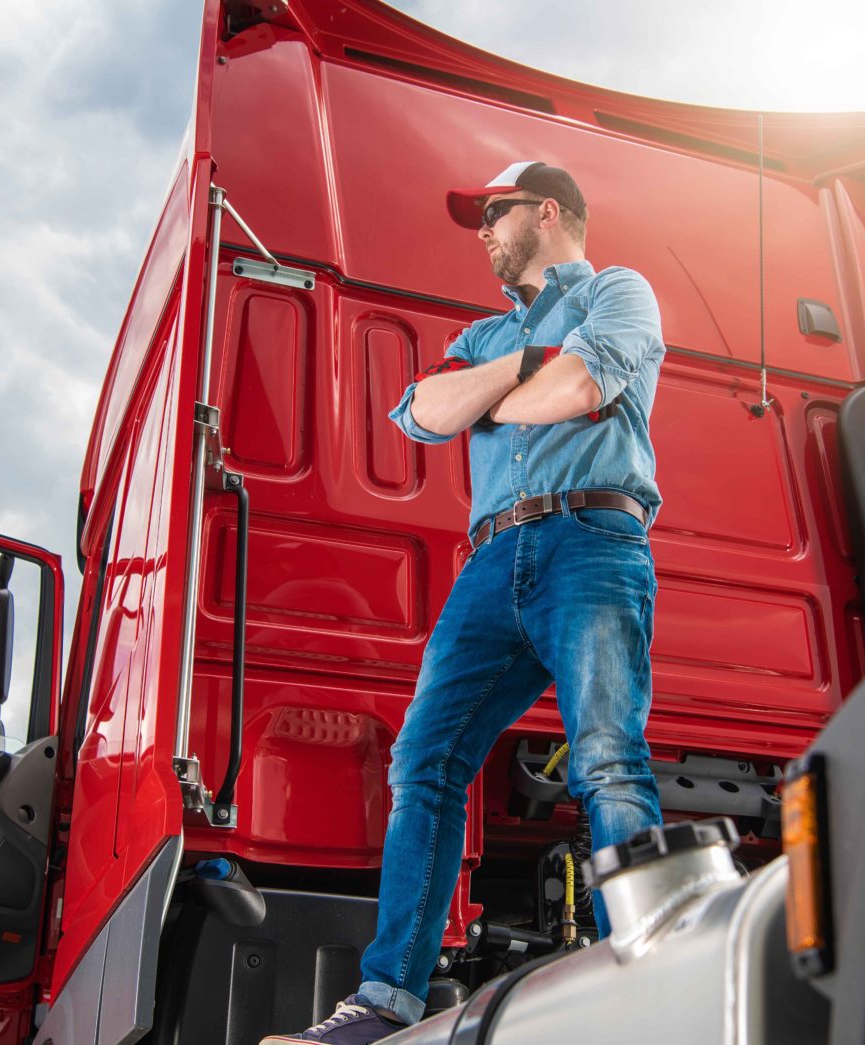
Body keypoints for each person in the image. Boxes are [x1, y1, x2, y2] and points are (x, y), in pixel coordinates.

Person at [262, 161, 666, 1044]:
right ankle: (385, 1003)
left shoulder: (621, 293)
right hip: (491, 565)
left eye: (494, 212)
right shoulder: (485, 334)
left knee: (604, 752)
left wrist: (503, 393)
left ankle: (646, 982)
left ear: (547, 211)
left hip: (591, 542)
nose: (483, 230)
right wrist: (524, 366)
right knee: (424, 760)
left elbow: (583, 388)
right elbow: (422, 412)